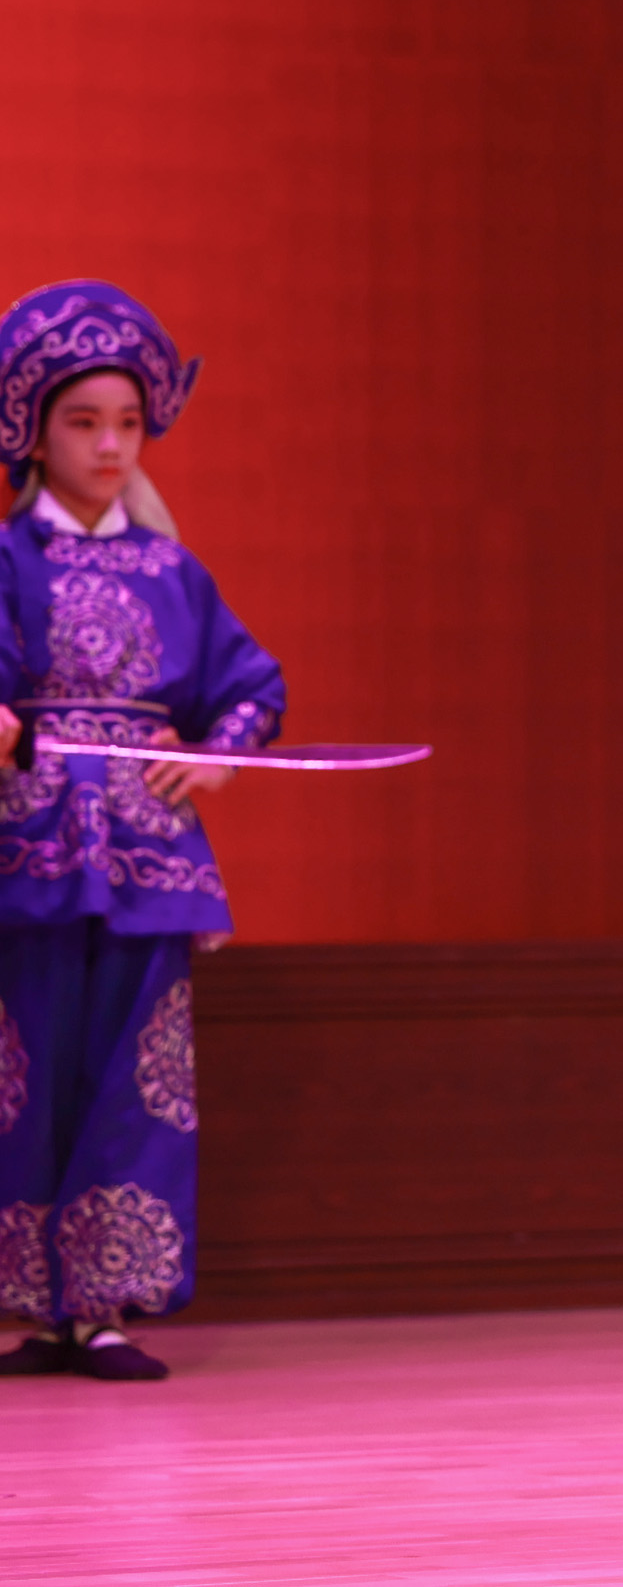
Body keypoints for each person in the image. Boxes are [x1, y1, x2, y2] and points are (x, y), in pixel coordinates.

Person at [0, 281, 283, 1382]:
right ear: (36, 433)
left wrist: (218, 755)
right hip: (28, 851)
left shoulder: (175, 572)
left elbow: (252, 688)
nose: (111, 445)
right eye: (84, 422)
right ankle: (34, 1304)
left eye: (127, 422)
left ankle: (103, 1306)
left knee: (134, 1077)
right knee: (23, 1069)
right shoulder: (8, 561)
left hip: (150, 858)